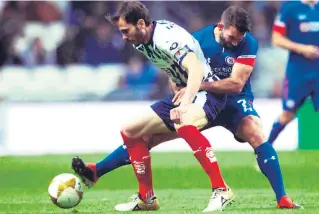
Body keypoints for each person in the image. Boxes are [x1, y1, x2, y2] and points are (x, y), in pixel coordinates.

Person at [72, 5, 302, 210]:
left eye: (237, 39)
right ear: (220, 27)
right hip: (198, 95)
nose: (234, 42)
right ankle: (101, 173)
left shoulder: (247, 42)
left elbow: (236, 83)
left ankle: (281, 198)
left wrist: (192, 91)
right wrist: (179, 88)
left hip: (233, 99)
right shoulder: (197, 38)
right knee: (144, 137)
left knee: (255, 131)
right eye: (231, 37)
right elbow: (174, 70)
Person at [73, 1, 234, 212]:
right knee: (130, 130)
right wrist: (175, 83)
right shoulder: (141, 39)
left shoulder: (164, 39)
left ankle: (221, 189)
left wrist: (185, 104)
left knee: (183, 122)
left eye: (125, 30)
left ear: (140, 23)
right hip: (185, 92)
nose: (123, 36)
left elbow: (194, 67)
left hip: (208, 93)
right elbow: (170, 64)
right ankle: (146, 198)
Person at [268, 0, 319, 175]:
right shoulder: (290, 8)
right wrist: (301, 48)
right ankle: (263, 152)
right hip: (298, 73)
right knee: (287, 115)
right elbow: (276, 38)